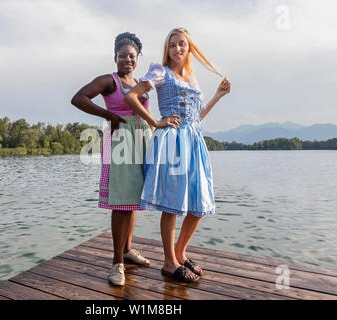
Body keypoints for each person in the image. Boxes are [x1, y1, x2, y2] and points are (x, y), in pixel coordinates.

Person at [124, 27, 231, 283]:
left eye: (182, 44)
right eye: (172, 45)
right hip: (173, 141)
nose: (177, 49)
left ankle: (180, 252)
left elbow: (197, 115)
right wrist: (155, 121)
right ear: (167, 49)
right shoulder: (161, 72)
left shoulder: (192, 81)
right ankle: (169, 262)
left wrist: (218, 94)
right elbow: (131, 96)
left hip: (194, 141)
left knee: (199, 203)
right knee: (173, 204)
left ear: (189, 48)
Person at [71, 32, 152, 286]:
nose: (127, 59)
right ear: (115, 57)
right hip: (120, 141)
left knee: (135, 197)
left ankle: (128, 250)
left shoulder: (140, 82)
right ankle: (117, 263)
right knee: (121, 200)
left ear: (137, 58)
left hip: (141, 141)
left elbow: (147, 113)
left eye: (132, 55)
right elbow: (78, 98)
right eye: (122, 55)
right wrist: (109, 115)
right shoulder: (109, 80)